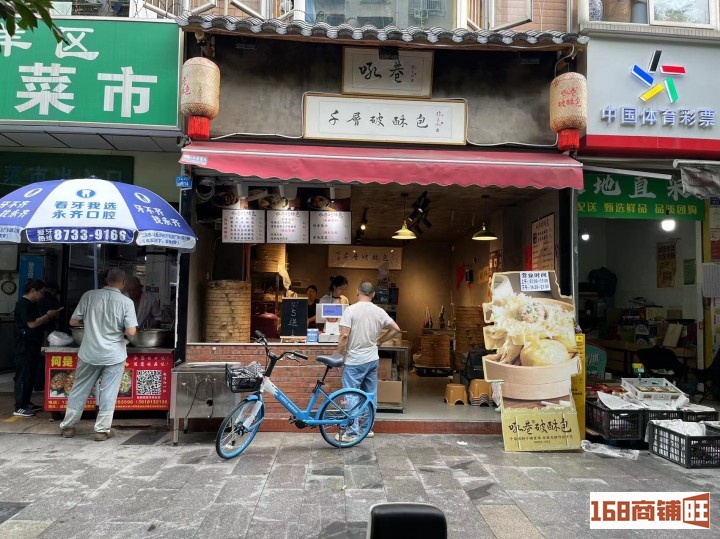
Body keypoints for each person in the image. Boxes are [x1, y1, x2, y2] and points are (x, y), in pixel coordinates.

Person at [60, 268, 138, 441]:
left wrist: (91, 321)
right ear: (123, 283)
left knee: (79, 388)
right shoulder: (126, 302)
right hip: (114, 355)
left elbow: (73, 321)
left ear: (106, 280)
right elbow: (131, 331)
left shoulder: (89, 296)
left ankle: (68, 426)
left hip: (89, 352)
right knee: (109, 391)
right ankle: (101, 431)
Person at [337, 281, 401, 442]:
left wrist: (339, 354)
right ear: (373, 294)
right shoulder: (379, 311)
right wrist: (380, 341)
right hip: (372, 359)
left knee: (351, 395)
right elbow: (396, 329)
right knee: (369, 395)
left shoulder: (350, 310)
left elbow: (344, 336)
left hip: (354, 360)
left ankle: (352, 432)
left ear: (357, 291)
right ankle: (366, 429)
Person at [14, 280, 62, 417]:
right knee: (24, 375)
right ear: (33, 291)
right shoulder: (24, 304)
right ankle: (19, 406)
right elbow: (32, 324)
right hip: (25, 346)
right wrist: (48, 315)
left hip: (33, 344)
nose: (42, 296)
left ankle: (26, 402)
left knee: (30, 375)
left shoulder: (33, 304)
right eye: (41, 292)